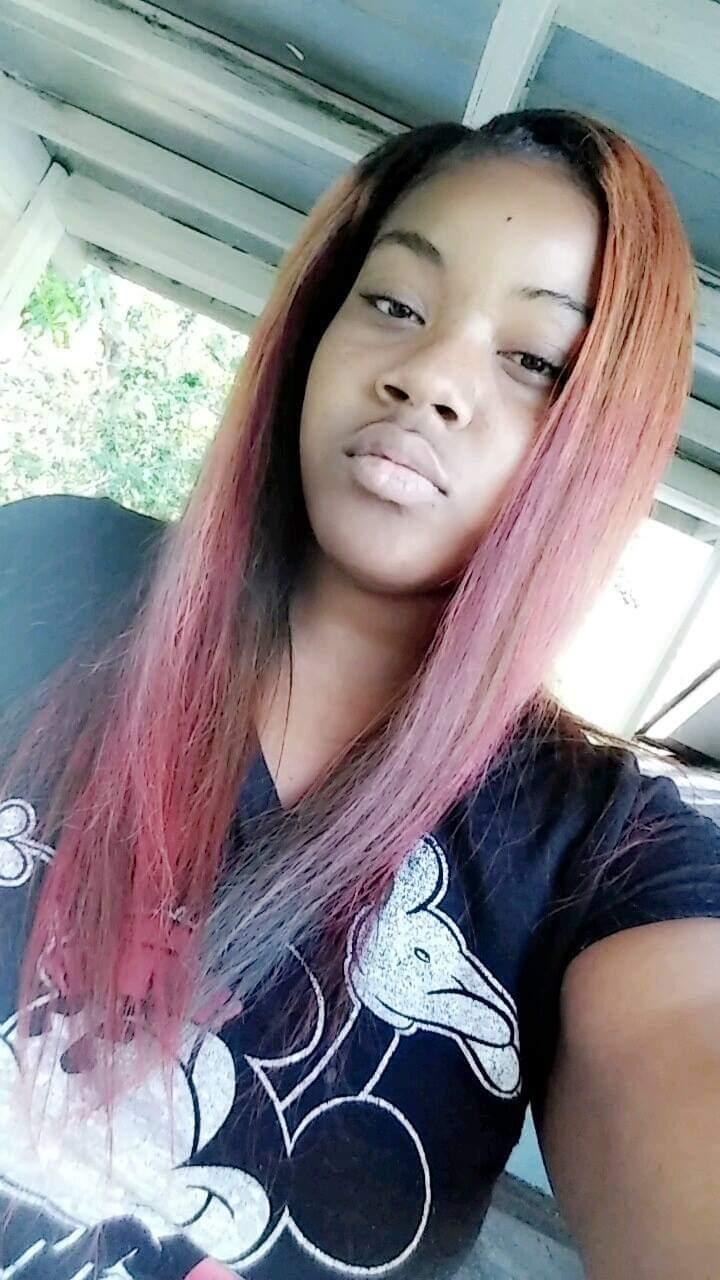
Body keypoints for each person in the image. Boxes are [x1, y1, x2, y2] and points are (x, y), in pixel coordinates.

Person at [0, 109, 719, 1280]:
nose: (426, 376)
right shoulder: (43, 568)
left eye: (536, 361)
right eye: (392, 301)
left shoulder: (601, 853)